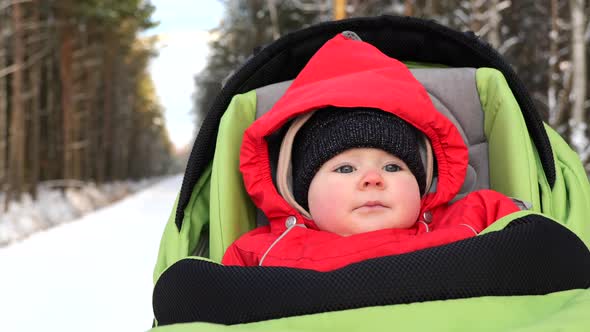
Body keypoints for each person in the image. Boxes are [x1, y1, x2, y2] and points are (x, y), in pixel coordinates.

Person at [221, 33, 520, 272]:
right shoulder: (265, 253)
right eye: (346, 168)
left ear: (423, 183)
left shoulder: (467, 220)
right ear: (300, 194)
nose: (374, 178)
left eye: (393, 167)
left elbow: (537, 238)